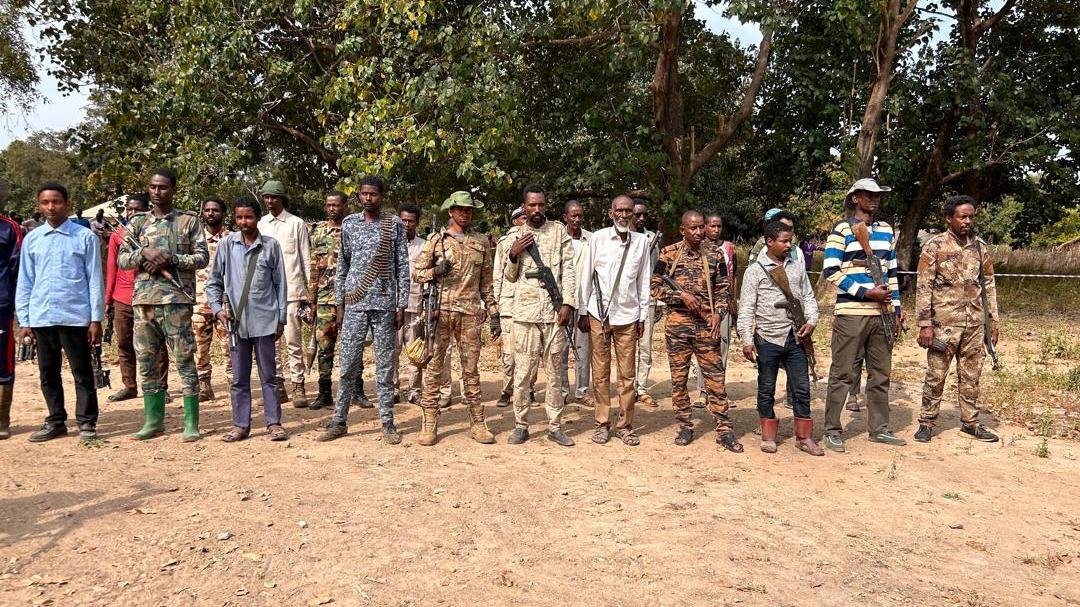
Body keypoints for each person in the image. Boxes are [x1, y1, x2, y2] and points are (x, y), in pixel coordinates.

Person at [317, 176, 410, 444]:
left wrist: (401, 304)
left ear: (381, 196)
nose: (368, 198)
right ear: (358, 197)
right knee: (347, 365)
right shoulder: (349, 224)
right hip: (355, 305)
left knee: (384, 367)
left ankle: (387, 422)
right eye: (363, 194)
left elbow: (402, 267)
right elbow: (342, 267)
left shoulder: (393, 226)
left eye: (373, 194)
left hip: (383, 305)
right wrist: (340, 304)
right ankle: (339, 420)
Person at [119, 168, 209, 442]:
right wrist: (143, 253)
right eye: (153, 187)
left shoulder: (188, 221)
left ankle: (191, 423)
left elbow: (201, 257)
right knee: (146, 360)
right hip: (144, 301)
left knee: (184, 358)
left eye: (163, 187)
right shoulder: (136, 224)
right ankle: (153, 421)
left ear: (173, 190)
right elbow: (123, 260)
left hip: (176, 301)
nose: (157, 192)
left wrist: (171, 258)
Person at [820, 177, 906, 452]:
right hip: (852, 312)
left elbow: (891, 272)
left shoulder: (886, 230)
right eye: (868, 195)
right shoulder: (841, 230)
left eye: (877, 194)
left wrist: (896, 308)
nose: (874, 199)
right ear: (855, 198)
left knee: (880, 374)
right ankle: (832, 430)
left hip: (882, 313)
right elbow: (831, 271)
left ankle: (879, 428)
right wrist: (864, 293)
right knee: (842, 373)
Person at [15, 183, 103, 442]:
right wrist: (25, 319)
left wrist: (96, 319)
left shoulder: (84, 237)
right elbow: (26, 281)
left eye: (56, 202)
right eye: (45, 203)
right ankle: (56, 420)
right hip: (42, 315)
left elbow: (94, 279)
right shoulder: (32, 239)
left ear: (66, 203)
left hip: (75, 315)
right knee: (47, 372)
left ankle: (87, 422)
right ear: (39, 205)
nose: (51, 207)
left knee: (82, 371)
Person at [411, 191, 497, 445]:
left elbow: (487, 283)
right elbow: (417, 274)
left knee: (471, 370)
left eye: (468, 209)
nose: (465, 213)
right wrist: (435, 271)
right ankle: (429, 422)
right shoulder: (436, 241)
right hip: (441, 313)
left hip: (470, 314)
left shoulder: (481, 242)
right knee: (434, 369)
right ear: (450, 211)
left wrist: (494, 313)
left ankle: (478, 422)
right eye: (460, 209)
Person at [913, 196, 1000, 443]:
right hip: (944, 325)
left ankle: (970, 422)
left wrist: (992, 322)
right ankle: (927, 422)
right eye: (962, 216)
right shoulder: (934, 246)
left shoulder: (980, 248)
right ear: (949, 218)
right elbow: (923, 288)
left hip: (974, 324)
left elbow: (989, 286)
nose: (968, 221)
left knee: (972, 375)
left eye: (971, 216)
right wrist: (925, 325)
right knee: (936, 375)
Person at [653, 211, 740, 452]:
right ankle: (684, 425)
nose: (700, 232)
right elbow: (655, 287)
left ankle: (724, 429)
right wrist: (680, 296)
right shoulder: (668, 253)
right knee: (679, 380)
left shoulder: (714, 254)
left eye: (702, 227)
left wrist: (718, 313)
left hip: (705, 326)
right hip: (678, 326)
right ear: (683, 230)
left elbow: (724, 290)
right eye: (694, 228)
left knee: (716, 380)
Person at [206, 196, 288, 442]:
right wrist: (216, 308)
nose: (244, 221)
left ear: (257, 218)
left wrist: (281, 318)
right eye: (239, 217)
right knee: (239, 378)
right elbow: (214, 282)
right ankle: (241, 425)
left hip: (265, 320)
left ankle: (274, 423)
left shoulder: (271, 246)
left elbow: (280, 284)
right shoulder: (226, 245)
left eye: (248, 217)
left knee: (269, 376)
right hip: (236, 324)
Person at [738, 220, 824, 455]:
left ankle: (804, 437)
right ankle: (768, 436)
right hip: (767, 338)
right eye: (784, 241)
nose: (789, 245)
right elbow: (746, 308)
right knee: (767, 388)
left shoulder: (797, 266)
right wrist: (747, 339)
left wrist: (812, 321)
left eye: (790, 241)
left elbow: (808, 296)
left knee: (802, 387)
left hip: (796, 336)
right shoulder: (755, 271)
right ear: (769, 242)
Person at [503, 184, 578, 446]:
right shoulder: (515, 235)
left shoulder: (558, 232)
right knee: (523, 374)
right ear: (523, 207)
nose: (536, 210)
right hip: (524, 315)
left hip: (554, 315)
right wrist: (513, 254)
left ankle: (555, 426)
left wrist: (567, 304)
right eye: (531, 205)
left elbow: (569, 270)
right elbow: (509, 277)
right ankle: (521, 425)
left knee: (555, 373)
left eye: (541, 205)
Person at [577, 195, 649, 446]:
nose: (624, 214)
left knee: (627, 375)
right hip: (599, 315)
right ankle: (601, 423)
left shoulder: (641, 242)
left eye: (628, 210)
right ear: (611, 213)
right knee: (600, 373)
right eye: (619, 210)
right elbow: (586, 276)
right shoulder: (597, 239)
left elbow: (644, 281)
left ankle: (625, 425)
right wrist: (583, 311)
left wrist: (642, 315)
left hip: (628, 317)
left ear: (633, 214)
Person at [104, 193, 170, 403]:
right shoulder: (118, 235)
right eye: (129, 209)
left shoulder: (156, 232)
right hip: (122, 297)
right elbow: (112, 268)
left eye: (137, 209)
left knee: (156, 344)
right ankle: (129, 386)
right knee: (124, 342)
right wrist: (108, 300)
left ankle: (161, 386)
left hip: (148, 295)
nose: (132, 213)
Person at [257, 180, 312, 407]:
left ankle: (298, 385)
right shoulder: (260, 224)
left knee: (292, 340)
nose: (270, 201)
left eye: (274, 197)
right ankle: (277, 386)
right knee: (270, 343)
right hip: (265, 293)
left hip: (292, 292)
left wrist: (310, 294)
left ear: (282, 199)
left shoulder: (296, 223)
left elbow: (306, 258)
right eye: (267, 197)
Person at [693, 212, 738, 408]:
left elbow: (733, 275)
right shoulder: (698, 247)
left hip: (724, 304)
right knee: (705, 347)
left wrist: (732, 300)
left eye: (718, 226)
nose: (715, 229)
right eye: (712, 226)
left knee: (723, 347)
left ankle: (718, 391)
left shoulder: (729, 248)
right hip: (704, 306)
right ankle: (703, 391)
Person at [492, 207, 533, 407]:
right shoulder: (504, 243)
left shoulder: (538, 237)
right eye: (523, 217)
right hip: (509, 304)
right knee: (509, 355)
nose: (527, 220)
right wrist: (496, 307)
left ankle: (528, 389)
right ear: (515, 221)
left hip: (531, 302)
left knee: (530, 351)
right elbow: (498, 275)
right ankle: (506, 390)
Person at [192, 195, 232, 400]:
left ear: (224, 214)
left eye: (215, 210)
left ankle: (234, 387)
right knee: (200, 349)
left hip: (226, 304)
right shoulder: (195, 240)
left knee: (230, 348)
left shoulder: (233, 240)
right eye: (207, 210)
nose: (211, 213)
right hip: (200, 303)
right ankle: (204, 386)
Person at [632, 200, 662, 408]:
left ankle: (641, 387)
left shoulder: (652, 238)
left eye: (644, 215)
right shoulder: (619, 237)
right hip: (623, 301)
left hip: (648, 299)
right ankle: (626, 387)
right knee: (625, 347)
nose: (641, 218)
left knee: (645, 346)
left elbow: (657, 272)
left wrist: (658, 300)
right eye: (638, 215)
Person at [561, 200, 591, 404]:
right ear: (565, 217)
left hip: (584, 302)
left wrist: (587, 308)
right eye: (573, 216)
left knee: (583, 350)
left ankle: (582, 391)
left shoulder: (592, 239)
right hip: (562, 302)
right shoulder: (557, 238)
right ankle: (562, 392)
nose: (577, 219)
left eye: (580, 215)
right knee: (560, 348)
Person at [0, 179, 21, 439]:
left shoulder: (9, 229)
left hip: (1, 306)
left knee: (2, 362)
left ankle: (2, 420)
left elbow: (19, 271)